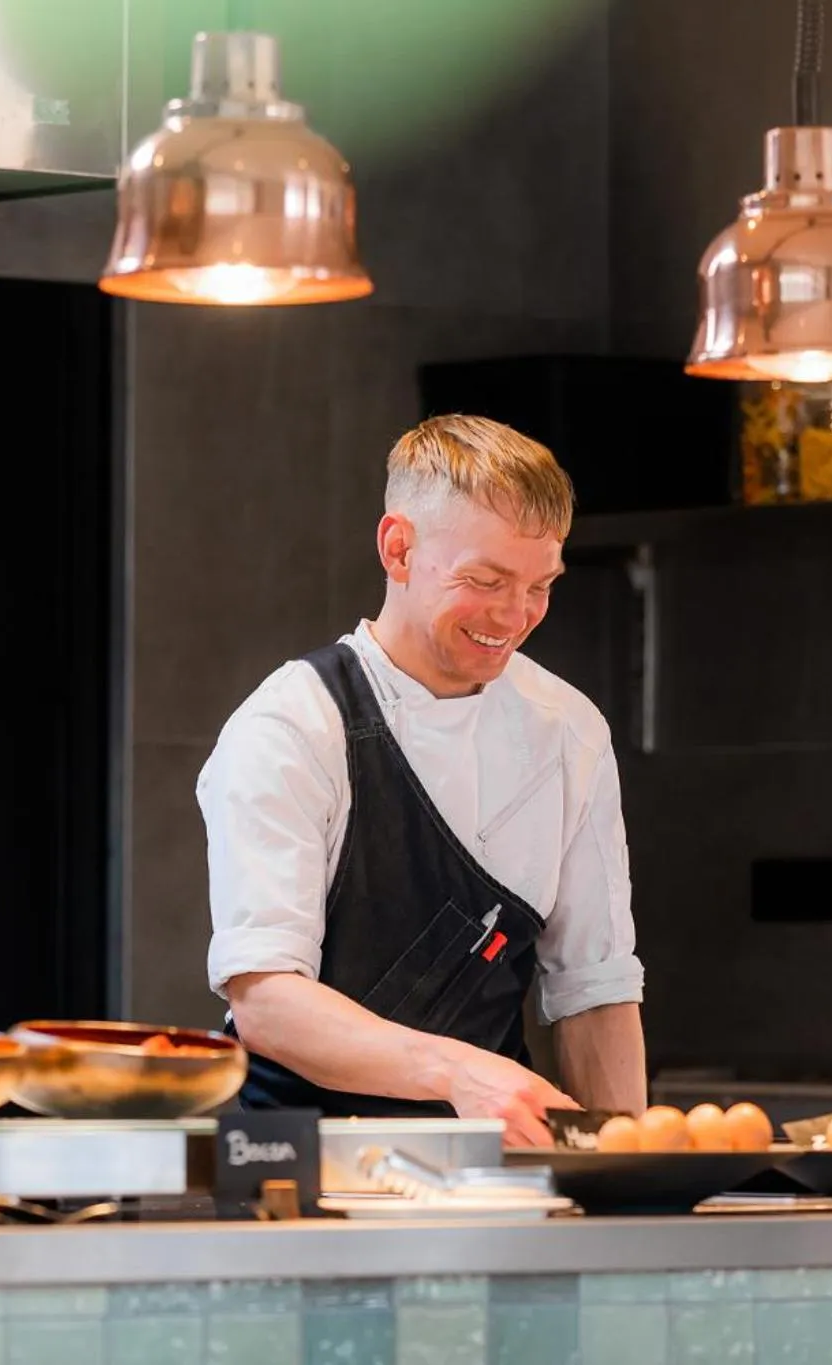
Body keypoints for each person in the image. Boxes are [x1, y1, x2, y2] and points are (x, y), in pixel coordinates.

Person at [196, 414, 646, 1147]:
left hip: (490, 1174)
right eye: (486, 580)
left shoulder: (568, 731)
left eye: (540, 585)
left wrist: (626, 1171)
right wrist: (461, 1074)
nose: (515, 614)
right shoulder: (293, 725)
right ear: (398, 548)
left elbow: (595, 987)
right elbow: (268, 1002)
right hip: (302, 1169)